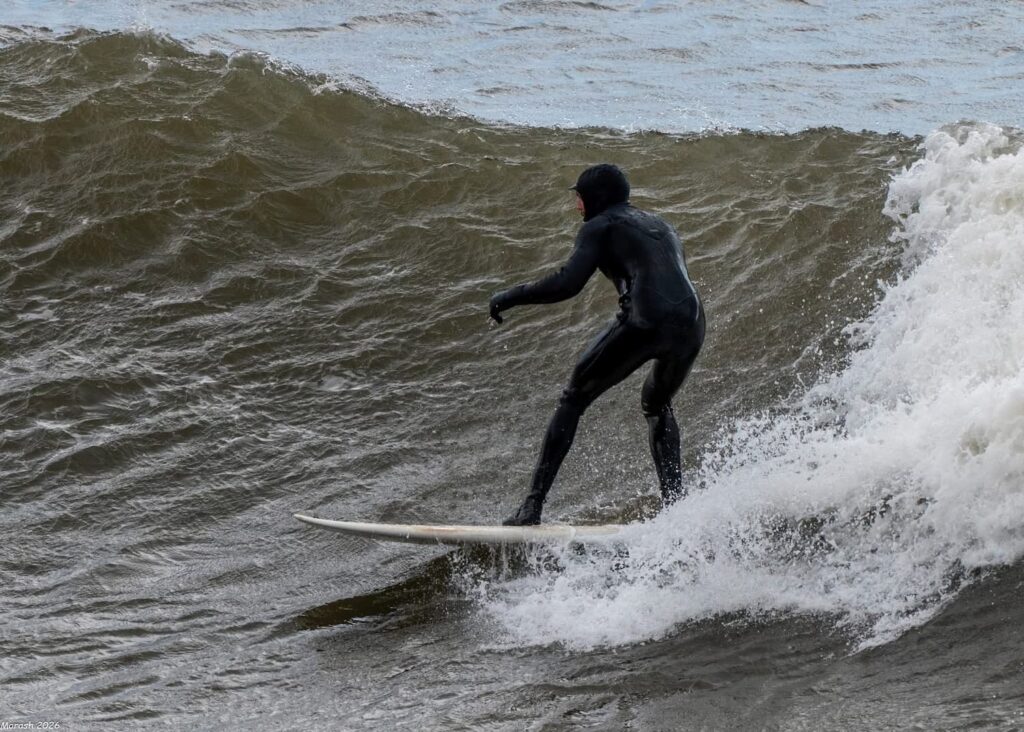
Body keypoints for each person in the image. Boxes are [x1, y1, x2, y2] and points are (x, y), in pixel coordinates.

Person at [489, 163, 705, 526]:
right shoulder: (660, 225)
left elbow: (567, 283)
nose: (577, 206)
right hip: (692, 322)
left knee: (573, 397)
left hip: (644, 319)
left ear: (595, 199)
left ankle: (531, 507)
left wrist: (509, 297)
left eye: (579, 198)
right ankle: (675, 508)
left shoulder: (599, 226)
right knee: (656, 403)